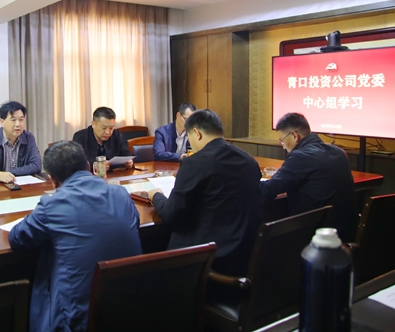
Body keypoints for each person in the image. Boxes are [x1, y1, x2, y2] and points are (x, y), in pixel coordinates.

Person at [9, 141, 142, 332]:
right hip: (131, 308)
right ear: (88, 167)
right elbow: (134, 222)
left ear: (52, 180)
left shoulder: (52, 205)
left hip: (78, 319)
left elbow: (17, 238)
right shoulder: (121, 194)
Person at [147, 109, 262, 277]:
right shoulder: (249, 160)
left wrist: (156, 195)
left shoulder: (195, 163)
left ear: (197, 133)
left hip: (208, 261)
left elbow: (170, 215)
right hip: (245, 256)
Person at [259, 112, 357, 242]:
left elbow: (269, 190)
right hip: (345, 232)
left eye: (282, 140)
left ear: (294, 135)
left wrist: (247, 180)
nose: (282, 145)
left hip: (315, 237)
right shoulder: (339, 152)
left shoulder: (300, 156)